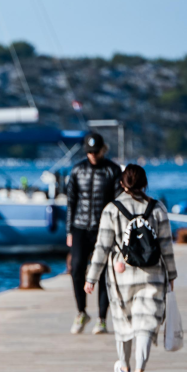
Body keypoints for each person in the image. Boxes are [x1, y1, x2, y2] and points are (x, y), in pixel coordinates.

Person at [84, 164, 177, 372]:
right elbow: (166, 246)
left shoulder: (111, 209)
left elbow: (102, 247)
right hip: (152, 275)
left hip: (121, 276)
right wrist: (172, 274)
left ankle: (124, 368)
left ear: (122, 183)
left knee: (124, 322)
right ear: (145, 183)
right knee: (145, 324)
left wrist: (91, 277)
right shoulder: (157, 209)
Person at [66, 131, 123, 335]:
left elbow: (118, 203)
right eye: (89, 152)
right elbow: (71, 202)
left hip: (104, 229)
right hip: (80, 227)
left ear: (103, 150)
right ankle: (81, 311)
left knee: (104, 272)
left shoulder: (112, 170)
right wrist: (69, 230)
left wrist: (117, 231)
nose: (92, 156)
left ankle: (101, 318)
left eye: (96, 152)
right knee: (77, 268)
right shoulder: (77, 170)